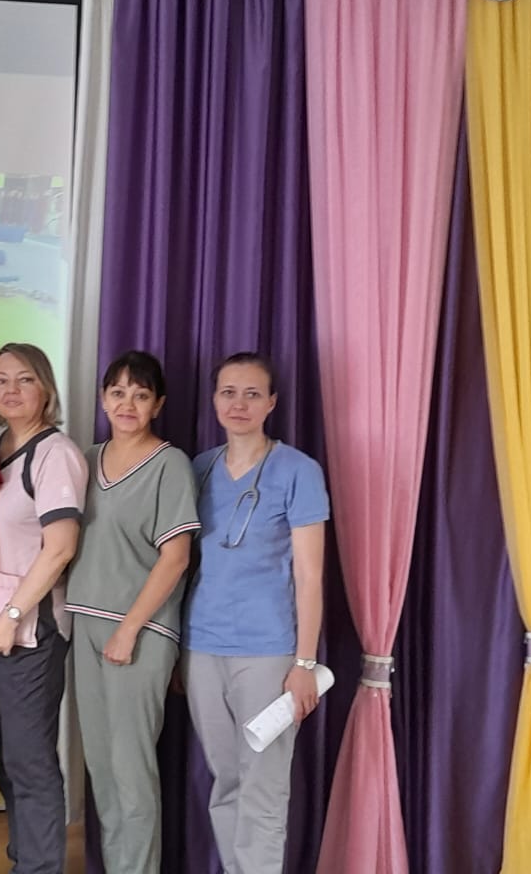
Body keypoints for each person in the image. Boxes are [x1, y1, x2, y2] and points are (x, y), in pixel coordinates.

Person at [181, 352, 328, 874]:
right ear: (214, 400)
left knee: (263, 786)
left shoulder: (298, 471)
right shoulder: (198, 470)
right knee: (225, 780)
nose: (238, 404)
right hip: (202, 649)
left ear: (271, 403)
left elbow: (310, 576)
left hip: (269, 654)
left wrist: (304, 664)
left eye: (251, 394)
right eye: (228, 392)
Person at [65, 350, 200, 874]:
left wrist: (128, 629)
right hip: (86, 622)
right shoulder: (86, 458)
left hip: (140, 631)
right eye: (118, 392)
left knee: (131, 769)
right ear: (103, 398)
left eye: (141, 395)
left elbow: (176, 557)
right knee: (101, 768)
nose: (128, 403)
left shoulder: (170, 464)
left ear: (158, 404)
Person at [0, 343, 88, 874]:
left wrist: (12, 616)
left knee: (30, 761)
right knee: (8, 757)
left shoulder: (55, 453)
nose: (11, 390)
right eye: (1, 380)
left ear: (46, 388)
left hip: (28, 630)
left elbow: (60, 548)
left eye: (24, 379)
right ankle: (26, 859)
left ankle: (39, 867)